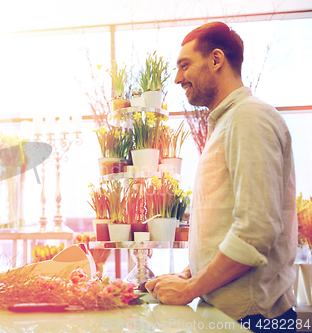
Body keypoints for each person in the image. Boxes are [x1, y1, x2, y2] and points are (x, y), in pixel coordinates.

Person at [145, 22, 297, 332]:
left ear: (216, 60)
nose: (177, 79)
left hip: (254, 320)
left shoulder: (249, 117)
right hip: (230, 316)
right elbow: (226, 228)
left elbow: (255, 232)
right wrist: (188, 274)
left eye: (184, 65)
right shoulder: (227, 122)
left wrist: (189, 289)